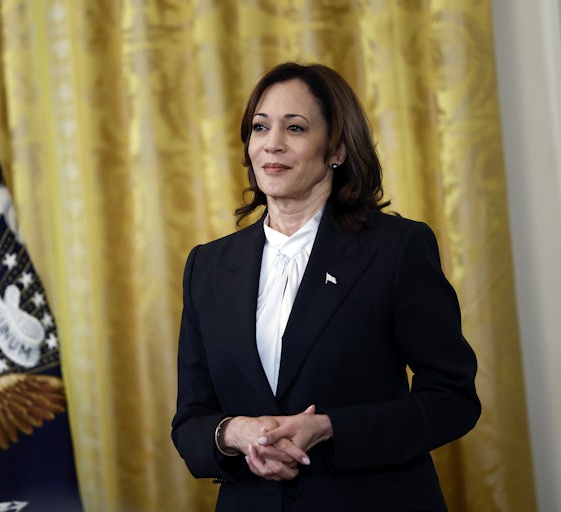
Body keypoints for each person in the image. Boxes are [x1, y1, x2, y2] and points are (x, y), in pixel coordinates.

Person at [171, 62, 480, 511]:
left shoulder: (396, 249)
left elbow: (453, 399)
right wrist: (234, 433)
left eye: (294, 128)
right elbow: (190, 422)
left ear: (335, 149)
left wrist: (332, 428)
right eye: (260, 127)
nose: (272, 143)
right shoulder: (208, 266)